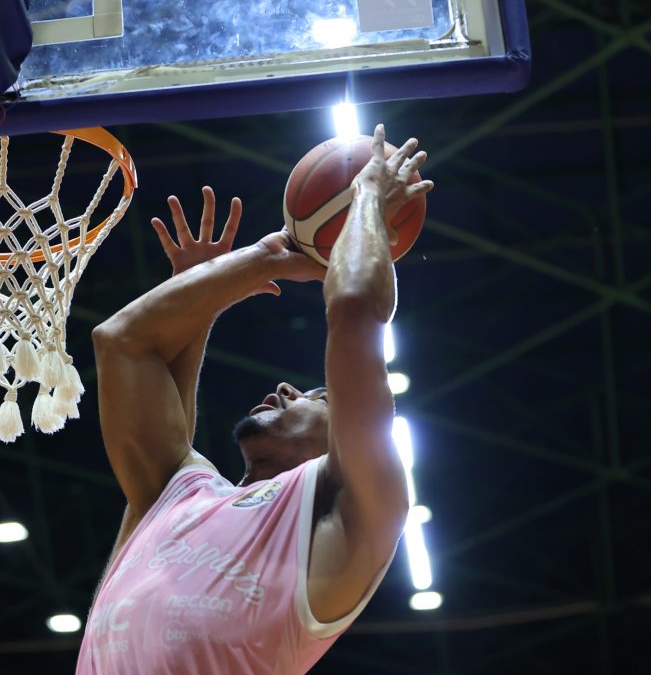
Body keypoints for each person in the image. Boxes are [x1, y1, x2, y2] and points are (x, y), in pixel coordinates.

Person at [76, 126, 433, 674]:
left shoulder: (357, 513)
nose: (286, 389)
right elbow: (121, 341)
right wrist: (261, 259)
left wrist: (364, 196)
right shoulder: (175, 494)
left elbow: (355, 306)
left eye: (318, 395)